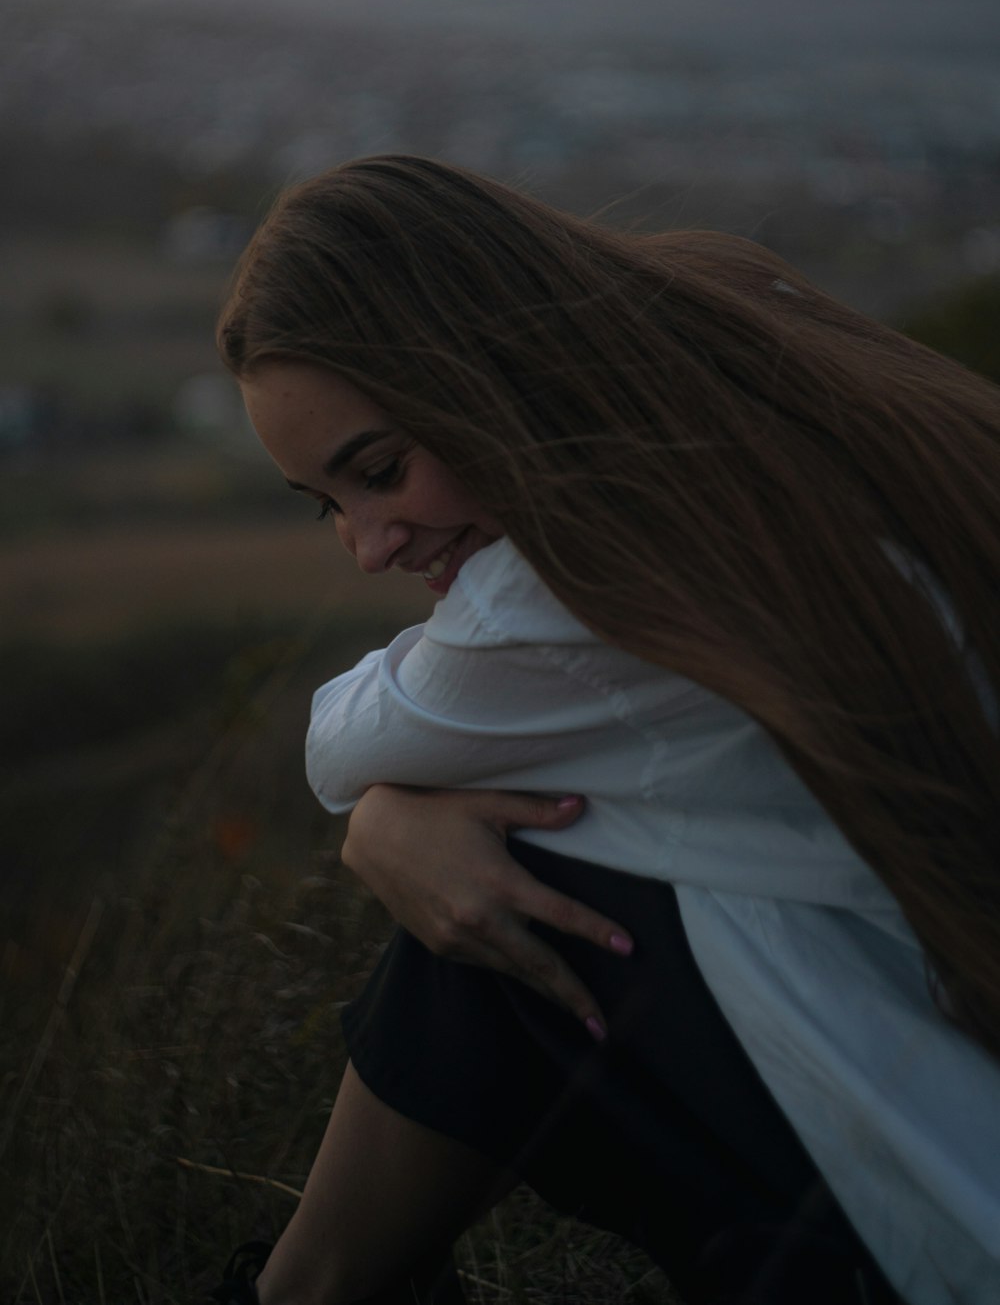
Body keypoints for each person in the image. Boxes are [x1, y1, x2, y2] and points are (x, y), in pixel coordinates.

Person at [212, 154, 1000, 1305]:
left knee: (522, 870)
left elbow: (344, 746)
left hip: (938, 1211)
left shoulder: (582, 583)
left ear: (476, 361)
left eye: (382, 471)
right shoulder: (741, 349)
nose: (371, 543)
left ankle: (302, 1292)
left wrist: (386, 818)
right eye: (331, 505)